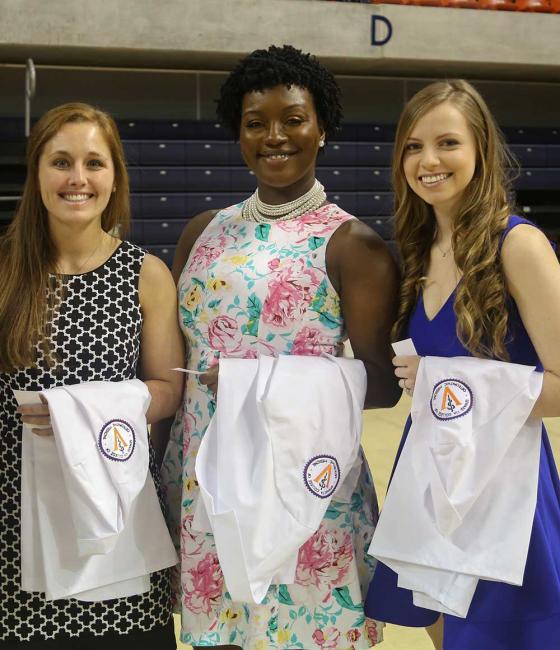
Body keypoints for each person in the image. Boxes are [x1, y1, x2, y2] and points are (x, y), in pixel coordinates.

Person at [159, 45, 400, 649]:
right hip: (205, 478)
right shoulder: (203, 230)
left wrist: (263, 385)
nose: (275, 136)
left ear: (321, 129)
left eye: (293, 119)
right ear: (237, 133)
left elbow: (383, 382)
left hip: (301, 480)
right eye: (255, 122)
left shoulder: (352, 244)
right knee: (226, 636)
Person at [364, 79, 560, 650]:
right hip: (430, 472)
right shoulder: (420, 248)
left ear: (480, 150)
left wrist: (445, 381)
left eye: (447, 143)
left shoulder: (518, 245)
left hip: (504, 486)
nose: (428, 161)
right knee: (444, 633)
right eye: (412, 146)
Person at [0, 102, 184, 648]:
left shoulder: (146, 273)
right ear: (37, 175)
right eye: (60, 162)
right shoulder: (6, 269)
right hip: (16, 522)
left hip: (118, 515)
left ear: (114, 176)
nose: (77, 178)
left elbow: (169, 389)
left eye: (93, 163)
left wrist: (78, 412)